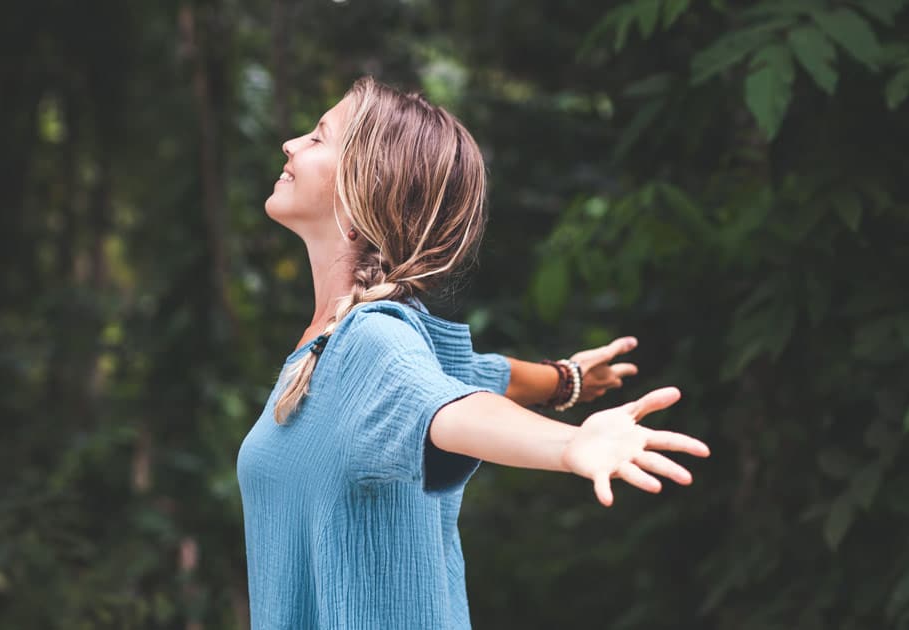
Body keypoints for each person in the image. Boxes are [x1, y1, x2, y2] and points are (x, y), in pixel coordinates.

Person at [237, 75, 711, 629]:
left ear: (366, 183)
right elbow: (473, 377)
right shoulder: (335, 345)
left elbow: (453, 409)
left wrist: (571, 444)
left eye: (319, 138)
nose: (291, 145)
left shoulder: (370, 341)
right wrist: (565, 381)